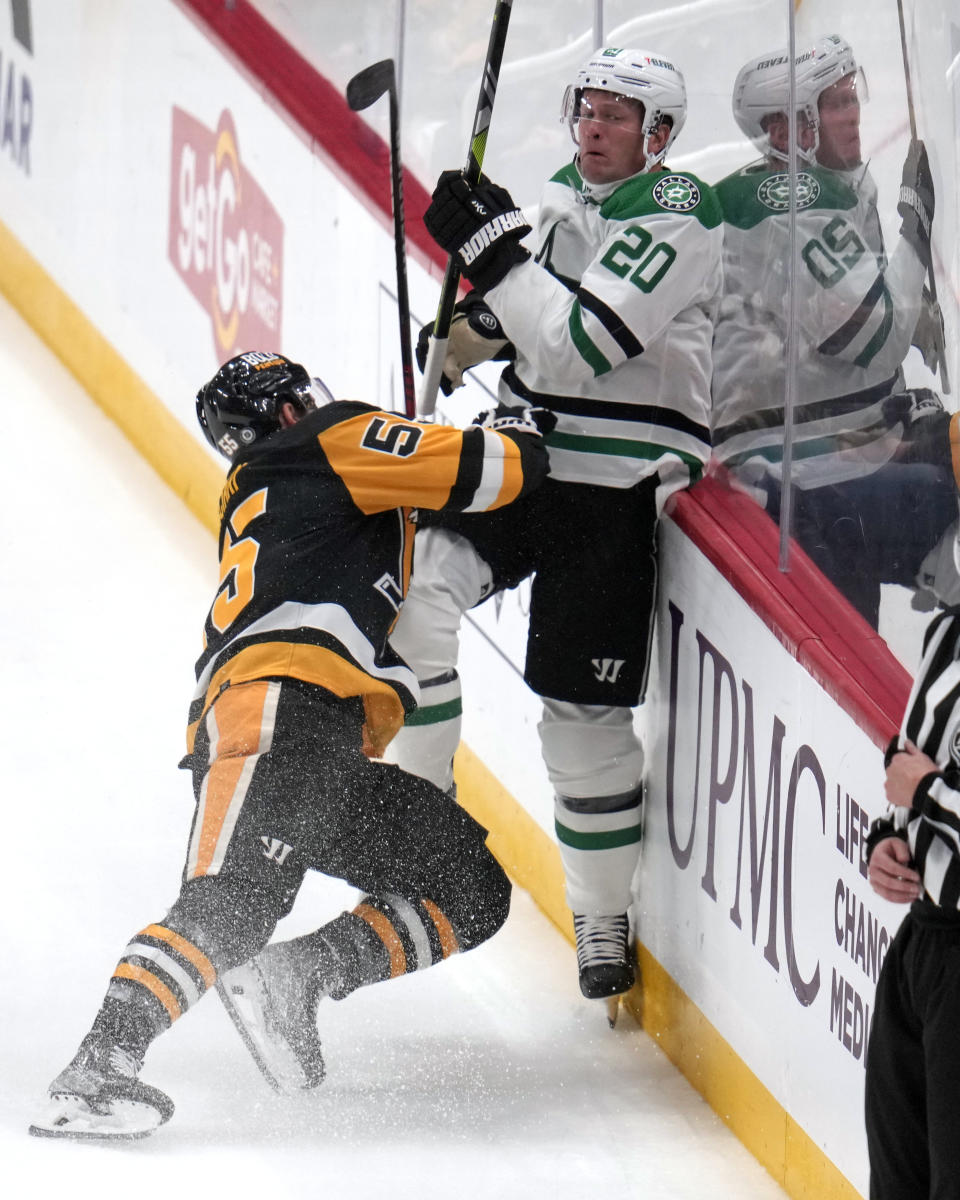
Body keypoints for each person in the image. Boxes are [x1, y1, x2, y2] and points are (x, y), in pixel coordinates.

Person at [28, 351, 550, 1140]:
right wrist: (512, 429)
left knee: (467, 883)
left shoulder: (290, 489)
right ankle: (100, 1061)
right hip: (274, 722)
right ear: (282, 412)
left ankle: (300, 974)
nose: (314, 402)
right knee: (227, 908)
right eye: (299, 396)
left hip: (321, 744)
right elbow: (503, 472)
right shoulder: (328, 441)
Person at [386, 47, 723, 1007]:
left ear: (660, 135)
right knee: (419, 597)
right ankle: (421, 821)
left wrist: (495, 256)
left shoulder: (679, 216)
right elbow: (534, 317)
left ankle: (601, 914)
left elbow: (583, 344)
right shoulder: (573, 201)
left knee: (582, 717)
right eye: (587, 107)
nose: (593, 125)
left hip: (611, 490)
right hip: (523, 460)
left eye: (617, 115)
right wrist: (468, 330)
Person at [711, 34, 958, 628]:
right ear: (784, 132)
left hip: (834, 456)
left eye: (853, 100)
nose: (854, 118)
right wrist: (915, 229)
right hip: (803, 486)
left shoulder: (812, 188)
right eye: (836, 106)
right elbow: (875, 334)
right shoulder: (790, 201)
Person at [864, 605, 960, 1198]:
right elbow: (909, 760)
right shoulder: (948, 631)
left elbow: (922, 780)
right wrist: (888, 838)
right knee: (898, 1175)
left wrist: (929, 792)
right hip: (921, 946)